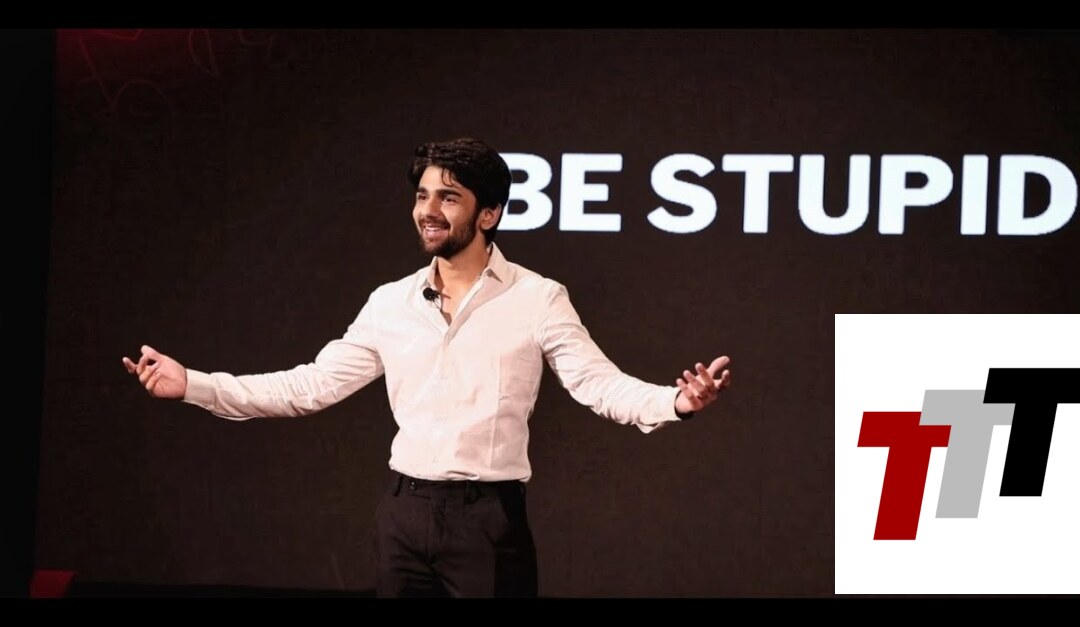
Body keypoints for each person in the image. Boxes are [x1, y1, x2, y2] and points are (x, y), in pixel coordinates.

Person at [122, 137, 731, 598]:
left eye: (448, 197)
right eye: (422, 196)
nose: (428, 210)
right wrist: (192, 385)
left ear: (488, 214)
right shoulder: (390, 302)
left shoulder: (538, 298)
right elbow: (311, 384)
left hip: (487, 521)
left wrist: (675, 402)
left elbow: (596, 384)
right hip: (404, 514)